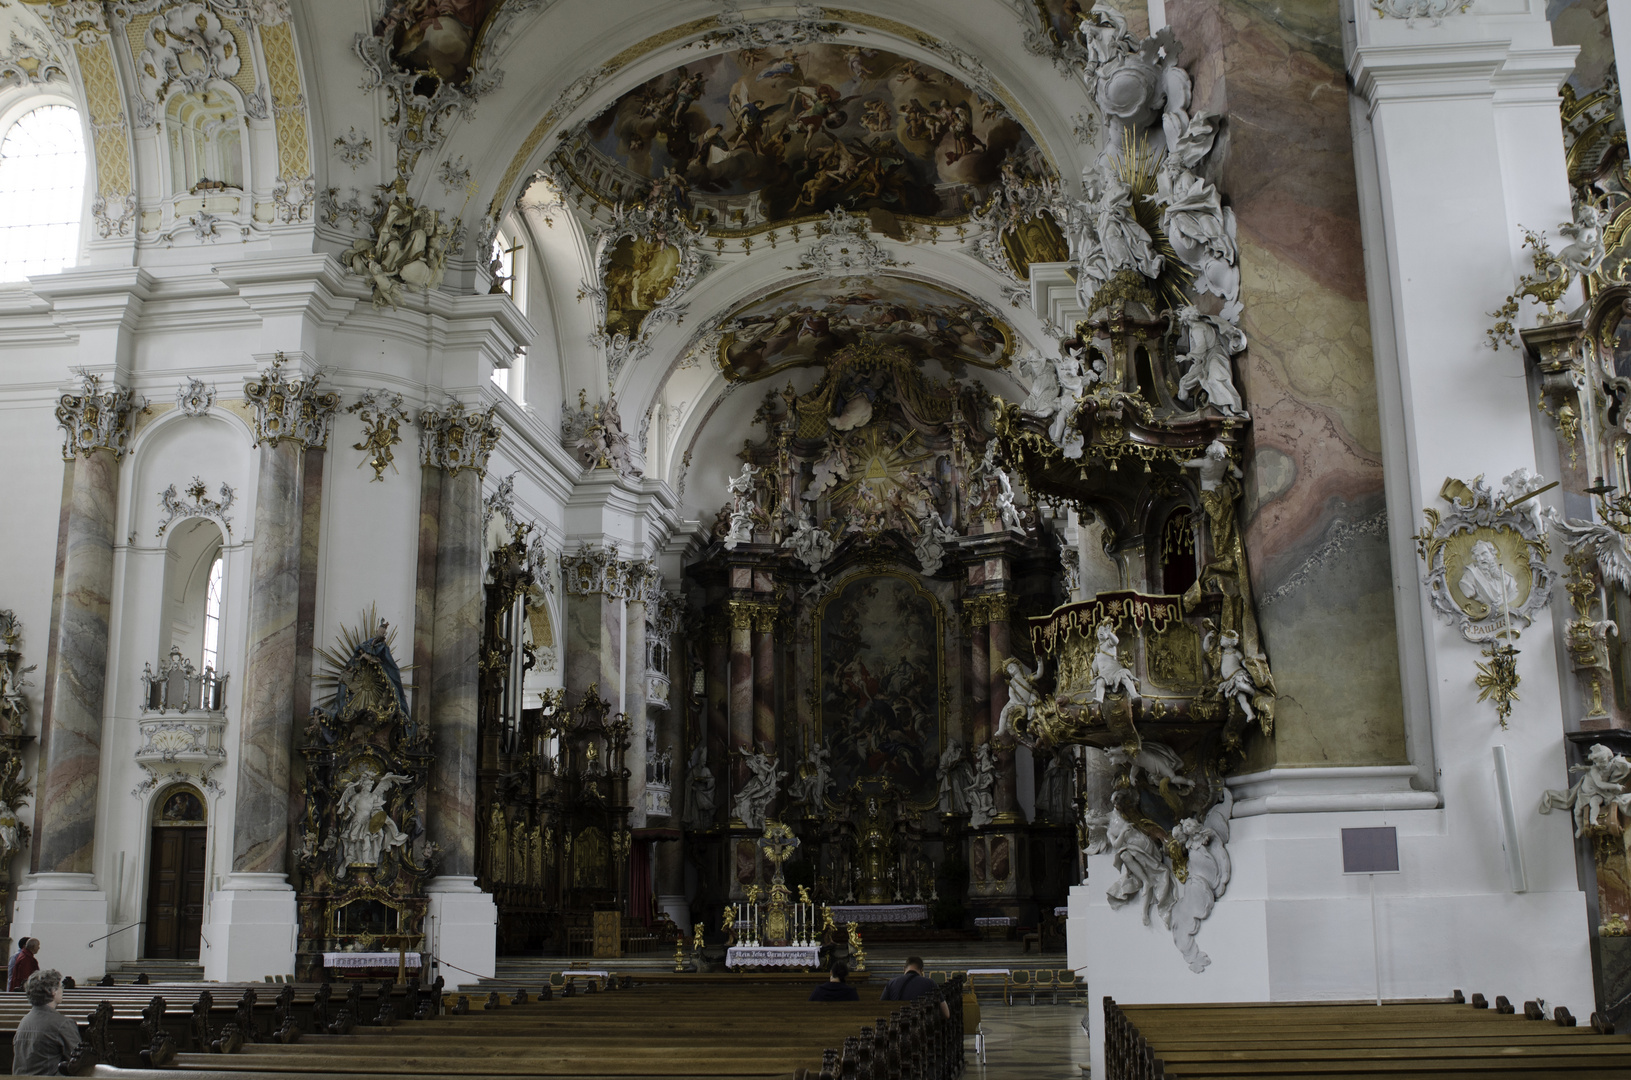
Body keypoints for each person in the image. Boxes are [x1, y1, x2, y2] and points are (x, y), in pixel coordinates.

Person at [12, 968, 83, 1075]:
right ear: (53, 991)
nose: (62, 989)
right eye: (60, 986)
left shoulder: (25, 1021)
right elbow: (79, 1062)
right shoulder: (62, 1024)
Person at [881, 956, 950, 1017]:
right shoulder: (930, 983)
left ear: (904, 969)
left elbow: (881, 1006)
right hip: (921, 1026)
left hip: (896, 1026)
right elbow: (946, 1013)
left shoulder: (891, 983)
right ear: (921, 970)